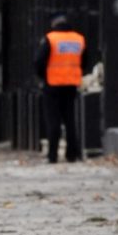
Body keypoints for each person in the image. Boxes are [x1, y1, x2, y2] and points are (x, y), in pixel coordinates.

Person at [34, 13, 88, 163]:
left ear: (53, 24)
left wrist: (43, 77)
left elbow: (38, 61)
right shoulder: (79, 39)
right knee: (70, 120)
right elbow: (84, 62)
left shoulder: (50, 39)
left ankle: (53, 156)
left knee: (53, 121)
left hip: (52, 84)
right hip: (71, 84)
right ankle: (72, 154)